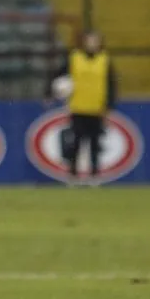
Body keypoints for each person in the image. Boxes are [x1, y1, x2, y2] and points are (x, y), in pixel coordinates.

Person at [48, 30, 116, 184]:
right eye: (90, 40)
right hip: (78, 106)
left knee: (94, 142)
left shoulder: (104, 60)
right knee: (76, 141)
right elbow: (58, 76)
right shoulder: (74, 58)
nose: (92, 44)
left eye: (95, 41)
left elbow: (111, 83)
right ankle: (72, 174)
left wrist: (110, 104)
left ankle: (94, 174)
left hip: (97, 107)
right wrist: (52, 92)